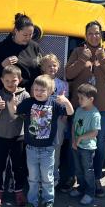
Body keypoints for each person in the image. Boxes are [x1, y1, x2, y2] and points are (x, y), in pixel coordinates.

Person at [64, 21, 105, 196]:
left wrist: (103, 60)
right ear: (86, 35)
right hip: (79, 107)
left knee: (99, 144)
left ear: (101, 35)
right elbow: (68, 74)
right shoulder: (78, 52)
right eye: (90, 33)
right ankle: (75, 177)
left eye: (97, 33)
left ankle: (95, 178)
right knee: (76, 142)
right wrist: (83, 60)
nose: (94, 36)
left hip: (100, 108)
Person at [16, 75, 74, 207]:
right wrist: (13, 104)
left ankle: (48, 201)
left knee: (47, 178)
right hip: (31, 148)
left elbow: (70, 112)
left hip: (48, 149)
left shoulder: (54, 103)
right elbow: (17, 110)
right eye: (36, 89)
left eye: (43, 90)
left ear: (51, 91)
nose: (39, 93)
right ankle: (32, 201)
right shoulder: (29, 102)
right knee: (33, 178)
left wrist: (65, 101)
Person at [0, 65, 30, 207]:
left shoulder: (25, 95)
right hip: (1, 137)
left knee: (18, 166)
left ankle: (18, 191)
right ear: (2, 80)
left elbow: (29, 117)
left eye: (14, 80)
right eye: (7, 81)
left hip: (18, 137)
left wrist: (19, 110)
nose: (10, 84)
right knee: (0, 165)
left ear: (20, 80)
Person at [0, 13, 42, 92]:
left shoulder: (35, 47)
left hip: (31, 94)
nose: (28, 38)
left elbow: (41, 71)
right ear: (16, 31)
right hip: (7, 95)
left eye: (30, 35)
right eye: (25, 35)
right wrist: (3, 65)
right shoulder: (2, 47)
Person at [39, 54, 69, 187]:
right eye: (48, 65)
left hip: (58, 120)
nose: (52, 68)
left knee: (56, 146)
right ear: (43, 68)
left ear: (58, 67)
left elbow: (65, 101)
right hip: (42, 119)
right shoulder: (38, 81)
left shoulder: (63, 84)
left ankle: (54, 175)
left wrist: (65, 114)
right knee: (41, 147)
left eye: (54, 65)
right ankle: (40, 176)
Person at [70, 83, 101, 205]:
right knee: (78, 169)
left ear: (91, 99)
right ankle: (81, 188)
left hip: (87, 148)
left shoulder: (95, 114)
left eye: (82, 98)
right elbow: (74, 125)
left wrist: (80, 138)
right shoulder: (78, 110)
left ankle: (89, 192)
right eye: (78, 98)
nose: (79, 101)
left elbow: (94, 133)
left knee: (88, 170)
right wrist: (74, 140)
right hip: (76, 145)